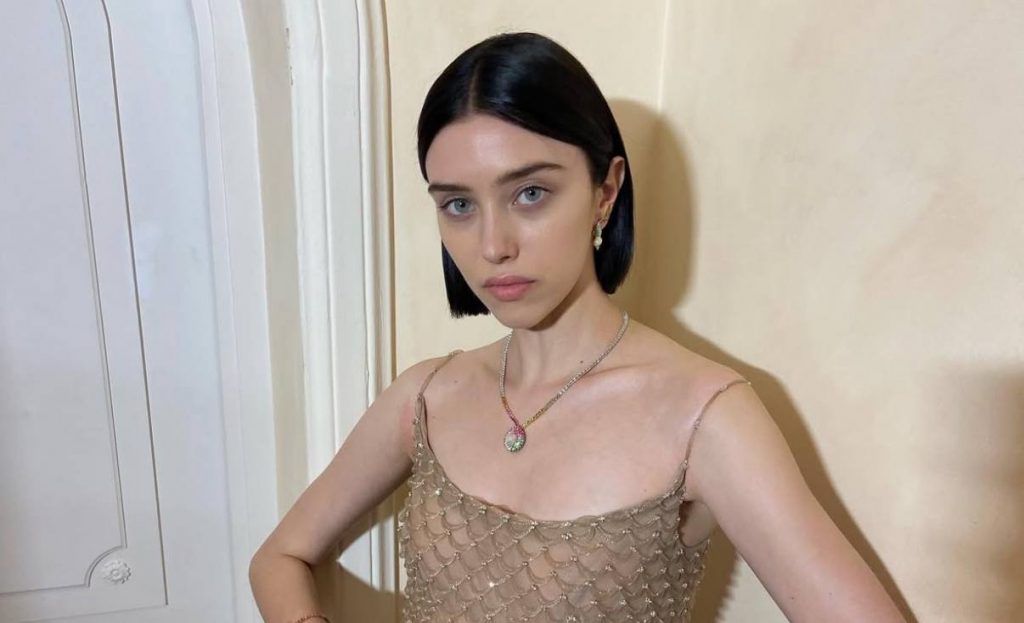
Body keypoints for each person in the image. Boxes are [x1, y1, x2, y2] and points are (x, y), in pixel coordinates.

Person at [250, 32, 906, 623]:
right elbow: (278, 557)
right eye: (458, 204)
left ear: (605, 190)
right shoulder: (425, 397)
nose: (492, 245)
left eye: (530, 192)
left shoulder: (702, 416)